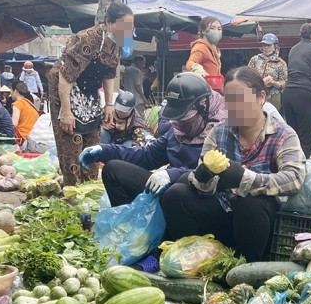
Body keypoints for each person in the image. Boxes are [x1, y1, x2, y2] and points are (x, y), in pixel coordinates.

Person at [161, 66, 306, 262]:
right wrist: (203, 178)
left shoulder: (283, 134)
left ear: (261, 97)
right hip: (224, 213)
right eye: (229, 100)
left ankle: (246, 267)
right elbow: (203, 184)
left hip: (259, 223)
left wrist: (247, 178)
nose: (233, 106)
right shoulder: (219, 132)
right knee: (176, 193)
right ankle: (195, 259)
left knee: (249, 200)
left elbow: (294, 178)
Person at [79, 73, 218, 207]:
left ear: (203, 108)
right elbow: (147, 155)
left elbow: (213, 174)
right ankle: (130, 224)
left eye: (185, 117)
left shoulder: (219, 132)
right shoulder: (177, 130)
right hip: (170, 188)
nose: (180, 122)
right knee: (113, 169)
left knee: (176, 193)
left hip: (199, 196)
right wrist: (104, 150)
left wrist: (173, 175)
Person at [49, 2, 133, 186]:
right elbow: (65, 76)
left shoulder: (116, 45)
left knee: (93, 140)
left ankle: (89, 188)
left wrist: (109, 104)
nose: (127, 32)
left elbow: (110, 74)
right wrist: (66, 111)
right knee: (71, 138)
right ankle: (72, 193)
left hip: (89, 91)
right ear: (109, 23)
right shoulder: (88, 39)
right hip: (66, 88)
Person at [283, 22, 311, 158]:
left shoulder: (293, 49)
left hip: (288, 94)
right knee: (306, 138)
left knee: (293, 136)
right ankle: (301, 170)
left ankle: (289, 166)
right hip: (305, 95)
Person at [248, 33, 288, 112]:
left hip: (273, 96)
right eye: (264, 45)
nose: (266, 47)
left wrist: (273, 82)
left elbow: (283, 83)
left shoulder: (281, 63)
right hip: (256, 94)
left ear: (275, 46)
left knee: (272, 120)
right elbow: (247, 76)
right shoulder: (255, 60)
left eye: (269, 45)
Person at [185, 16, 223, 90]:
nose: (216, 31)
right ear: (203, 31)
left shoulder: (214, 50)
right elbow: (190, 63)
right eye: (212, 28)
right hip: (204, 92)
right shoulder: (201, 47)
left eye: (219, 29)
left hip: (214, 91)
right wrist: (197, 68)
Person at [10, 81, 40, 148]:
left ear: (15, 91)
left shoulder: (17, 104)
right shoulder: (30, 104)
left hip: (21, 138)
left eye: (11, 91)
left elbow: (14, 124)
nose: (10, 94)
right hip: (32, 138)